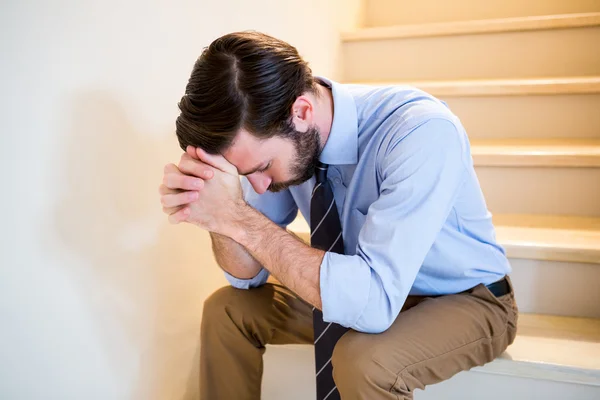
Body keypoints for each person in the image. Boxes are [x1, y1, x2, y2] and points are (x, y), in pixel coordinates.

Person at [159, 31, 518, 400]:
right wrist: (216, 214)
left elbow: (375, 302)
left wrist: (236, 217)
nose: (259, 187)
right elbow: (246, 277)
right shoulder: (280, 139)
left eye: (264, 166)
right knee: (227, 310)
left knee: (363, 361)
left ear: (301, 112)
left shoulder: (421, 131)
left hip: (465, 298)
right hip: (364, 285)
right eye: (245, 173)